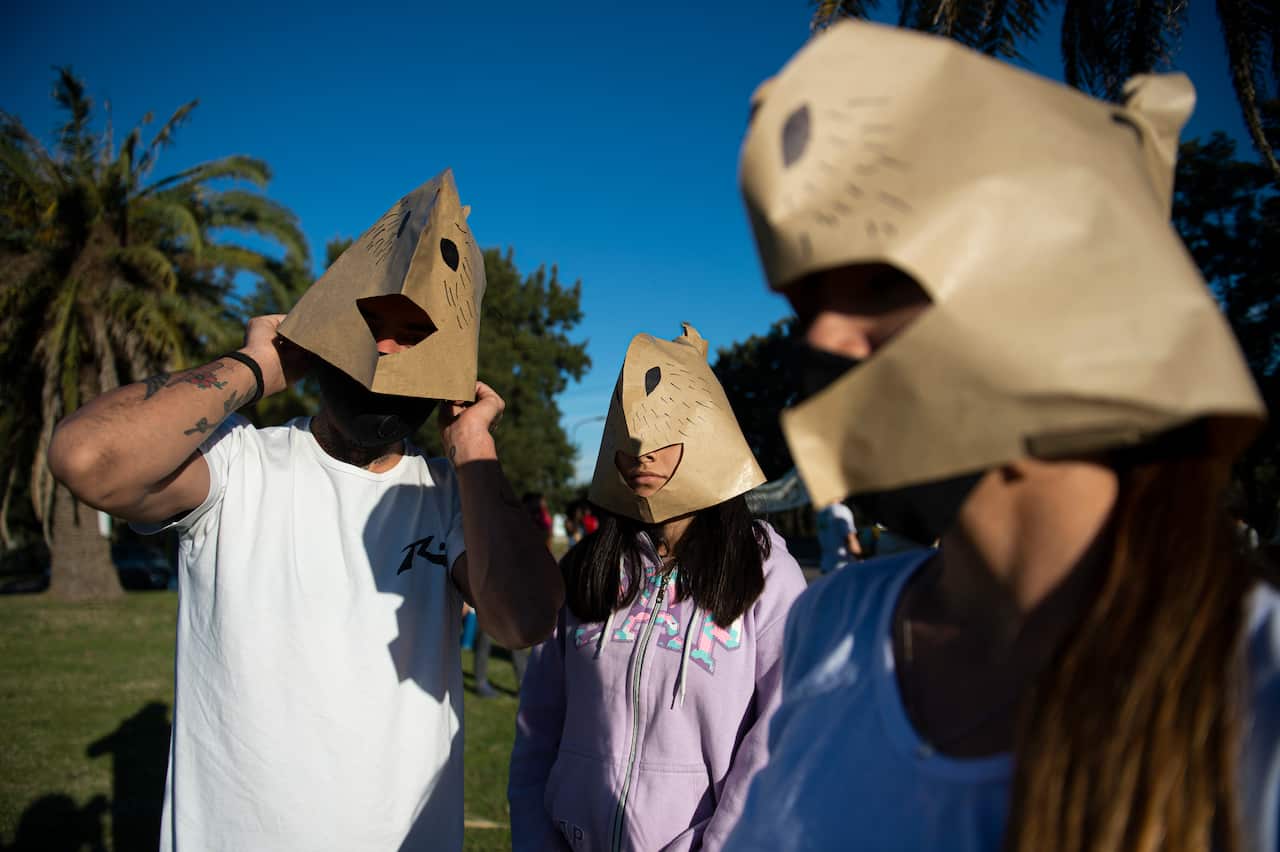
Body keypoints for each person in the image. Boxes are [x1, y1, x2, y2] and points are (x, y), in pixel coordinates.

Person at [728, 23, 1278, 852]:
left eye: (882, 281)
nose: (824, 341)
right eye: (806, 307)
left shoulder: (1256, 681)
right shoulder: (831, 626)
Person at [46, 171, 563, 852]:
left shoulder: (445, 495)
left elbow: (524, 618)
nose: (385, 354)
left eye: (414, 340)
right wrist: (257, 367)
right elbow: (88, 459)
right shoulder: (239, 465)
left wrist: (473, 445)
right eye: (374, 329)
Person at [509, 324, 807, 850]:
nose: (642, 451)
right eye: (629, 429)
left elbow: (783, 733)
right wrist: (536, 836)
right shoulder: (584, 569)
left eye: (666, 430)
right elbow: (537, 724)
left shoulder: (766, 572)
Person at [815, 501, 860, 573]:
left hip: (826, 563)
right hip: (843, 565)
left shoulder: (821, 513)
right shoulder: (842, 510)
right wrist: (860, 558)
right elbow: (850, 539)